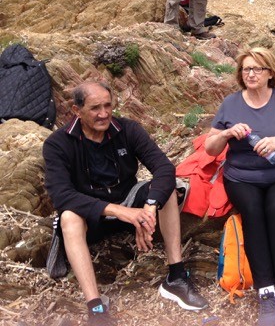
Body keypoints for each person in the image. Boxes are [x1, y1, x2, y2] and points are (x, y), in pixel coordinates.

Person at [43, 81, 208, 326]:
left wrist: (149, 208)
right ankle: (96, 307)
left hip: (129, 200)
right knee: (68, 216)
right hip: (92, 216)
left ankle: (176, 276)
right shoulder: (58, 143)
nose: (104, 114)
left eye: (108, 105)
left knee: (167, 190)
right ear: (76, 110)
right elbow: (61, 195)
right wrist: (121, 212)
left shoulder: (127, 129)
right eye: (95, 108)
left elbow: (164, 167)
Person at [204, 48, 275, 326]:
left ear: (270, 73)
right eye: (246, 69)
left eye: (257, 69)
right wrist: (226, 133)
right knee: (252, 210)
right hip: (242, 177)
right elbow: (210, 148)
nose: (250, 74)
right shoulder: (230, 104)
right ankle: (266, 290)